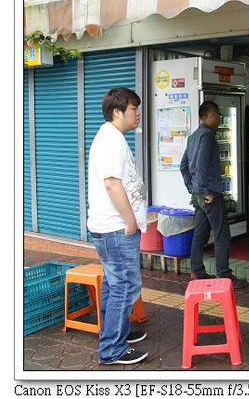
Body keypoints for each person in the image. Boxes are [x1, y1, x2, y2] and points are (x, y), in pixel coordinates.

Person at [87, 87, 149, 365]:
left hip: (110, 227)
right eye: (134, 109)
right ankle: (112, 348)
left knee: (115, 284)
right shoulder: (110, 140)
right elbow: (112, 184)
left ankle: (116, 333)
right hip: (115, 228)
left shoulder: (112, 137)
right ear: (117, 112)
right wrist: (130, 221)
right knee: (126, 286)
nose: (138, 114)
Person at [180, 101, 247, 289]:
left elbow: (183, 166)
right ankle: (224, 275)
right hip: (209, 193)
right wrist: (204, 191)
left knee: (200, 234)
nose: (219, 117)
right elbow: (201, 165)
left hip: (198, 194)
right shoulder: (208, 136)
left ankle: (197, 272)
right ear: (210, 114)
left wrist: (192, 189)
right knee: (221, 234)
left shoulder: (193, 136)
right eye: (218, 113)